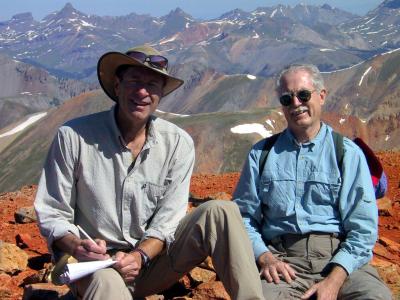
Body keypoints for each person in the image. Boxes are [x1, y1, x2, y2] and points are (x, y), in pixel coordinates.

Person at [34, 45, 264, 299]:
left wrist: (139, 256)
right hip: (95, 266)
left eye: (153, 85)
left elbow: (168, 221)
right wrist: (78, 246)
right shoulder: (74, 137)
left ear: (161, 94)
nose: (142, 92)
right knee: (107, 282)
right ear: (117, 85)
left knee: (222, 211)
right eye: (134, 81)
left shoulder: (177, 143)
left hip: (150, 263)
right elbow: (53, 213)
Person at [233, 63, 392, 299]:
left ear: (322, 96)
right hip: (284, 261)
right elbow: (244, 217)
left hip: (341, 260)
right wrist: (265, 257)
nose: (296, 104)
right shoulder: (261, 155)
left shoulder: (346, 153)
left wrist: (335, 280)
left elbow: (363, 228)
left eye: (303, 95)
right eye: (287, 99)